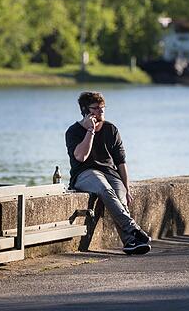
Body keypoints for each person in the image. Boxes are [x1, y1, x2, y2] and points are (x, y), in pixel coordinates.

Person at [65, 91, 151, 255]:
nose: (100, 111)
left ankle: (130, 242)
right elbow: (81, 157)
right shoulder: (73, 131)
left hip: (111, 173)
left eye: (102, 108)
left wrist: (127, 188)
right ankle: (134, 229)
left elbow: (121, 162)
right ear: (85, 110)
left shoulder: (111, 129)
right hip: (84, 174)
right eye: (96, 108)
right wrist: (90, 131)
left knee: (120, 199)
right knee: (105, 189)